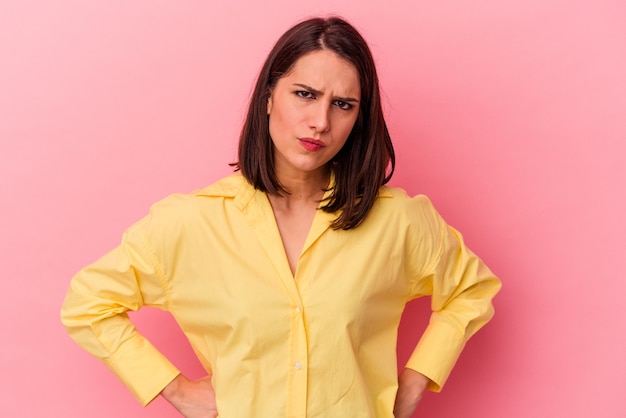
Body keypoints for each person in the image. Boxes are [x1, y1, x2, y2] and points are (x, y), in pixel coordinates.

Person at [61, 16, 501, 418]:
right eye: (305, 95)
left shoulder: (399, 221)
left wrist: (413, 384)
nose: (320, 122)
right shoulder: (190, 223)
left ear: (358, 120)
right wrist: (177, 390)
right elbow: (88, 304)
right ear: (269, 96)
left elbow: (471, 290)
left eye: (343, 104)